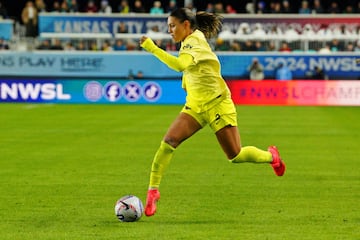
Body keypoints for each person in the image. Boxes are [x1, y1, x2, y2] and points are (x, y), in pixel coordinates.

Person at [139, 8, 286, 217]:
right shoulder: (188, 42)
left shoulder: (194, 42)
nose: (169, 30)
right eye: (168, 26)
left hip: (217, 104)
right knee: (169, 142)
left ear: (186, 25)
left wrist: (152, 48)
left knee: (235, 155)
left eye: (172, 25)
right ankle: (153, 191)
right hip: (196, 106)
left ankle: (271, 157)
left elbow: (180, 65)